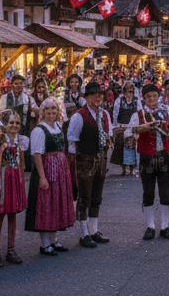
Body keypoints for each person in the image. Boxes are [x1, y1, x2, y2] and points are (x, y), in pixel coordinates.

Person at [25, 99, 75, 256]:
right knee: (46, 204)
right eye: (48, 111)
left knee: (57, 203)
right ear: (42, 112)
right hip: (47, 170)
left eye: (54, 110)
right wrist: (42, 177)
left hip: (60, 170)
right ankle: (45, 244)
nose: (51, 113)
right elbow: (37, 155)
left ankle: (54, 240)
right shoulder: (39, 130)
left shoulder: (58, 126)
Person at [129, 83, 169, 240]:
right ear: (144, 98)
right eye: (148, 96)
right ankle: (150, 226)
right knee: (148, 193)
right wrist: (141, 128)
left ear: (158, 97)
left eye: (154, 96)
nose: (152, 99)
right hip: (146, 157)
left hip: (164, 155)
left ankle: (165, 226)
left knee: (165, 194)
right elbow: (127, 132)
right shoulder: (138, 114)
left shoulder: (165, 111)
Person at [67, 81, 113, 248]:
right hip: (85, 160)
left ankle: (94, 230)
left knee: (97, 196)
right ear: (87, 98)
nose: (98, 99)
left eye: (100, 96)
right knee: (84, 197)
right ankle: (83, 233)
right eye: (94, 96)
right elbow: (72, 140)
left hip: (101, 158)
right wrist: (75, 162)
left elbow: (109, 133)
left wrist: (109, 140)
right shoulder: (79, 115)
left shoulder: (105, 114)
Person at [0, 111, 29, 266]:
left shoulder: (21, 140)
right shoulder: (0, 139)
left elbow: (22, 160)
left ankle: (11, 248)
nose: (14, 126)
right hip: (2, 178)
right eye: (11, 123)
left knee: (13, 214)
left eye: (17, 123)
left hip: (15, 177)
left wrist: (21, 177)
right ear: (5, 124)